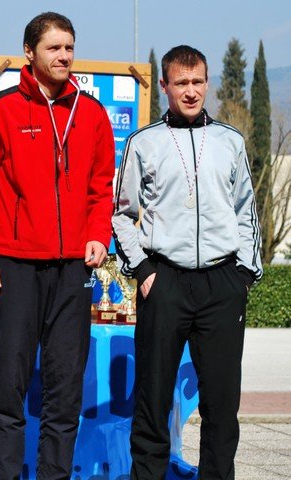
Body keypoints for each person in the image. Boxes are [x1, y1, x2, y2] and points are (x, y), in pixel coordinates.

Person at [0, 12, 115, 479]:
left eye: (69, 47)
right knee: (8, 388)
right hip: (14, 265)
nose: (64, 56)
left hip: (73, 269)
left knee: (65, 390)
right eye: (54, 47)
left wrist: (98, 234)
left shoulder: (92, 113)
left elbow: (101, 186)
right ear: (29, 52)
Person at [112, 45, 263, 479]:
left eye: (198, 82)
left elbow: (246, 212)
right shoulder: (143, 142)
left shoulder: (230, 141)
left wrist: (243, 275)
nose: (191, 91)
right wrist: (143, 271)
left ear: (207, 83)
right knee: (153, 401)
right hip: (165, 283)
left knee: (221, 407)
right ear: (165, 86)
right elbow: (121, 214)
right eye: (181, 83)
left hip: (223, 283)